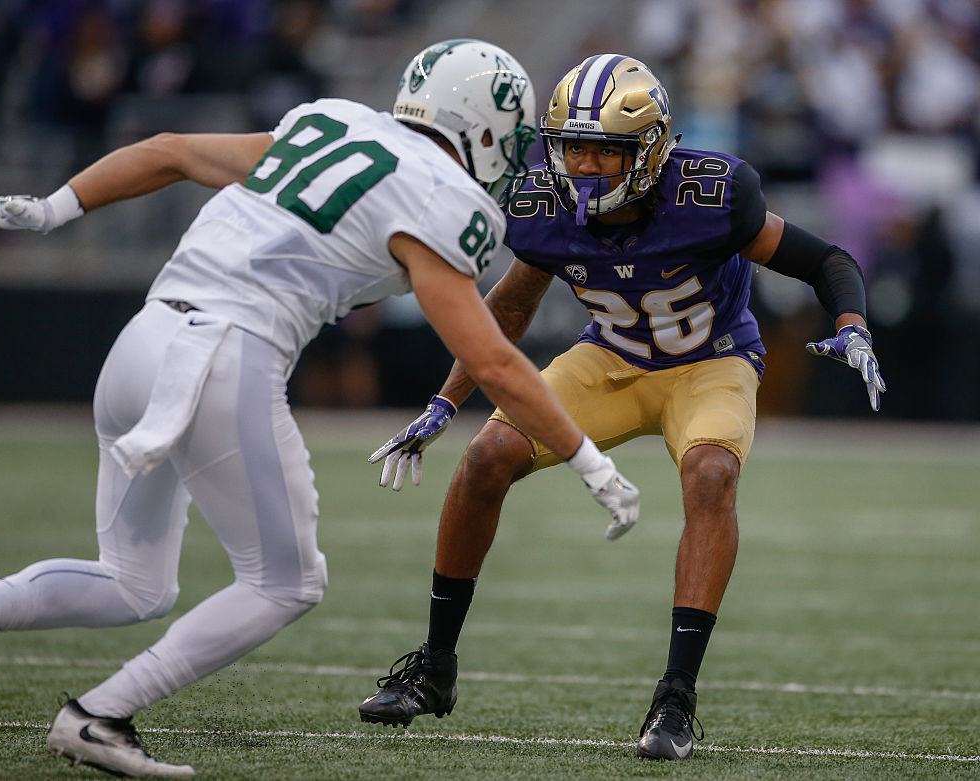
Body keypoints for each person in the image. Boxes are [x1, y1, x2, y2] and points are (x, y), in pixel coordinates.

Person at [0, 40, 640, 779]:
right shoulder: (444, 197)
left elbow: (169, 149)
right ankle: (100, 714)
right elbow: (493, 358)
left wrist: (52, 208)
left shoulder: (331, 124)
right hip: (224, 356)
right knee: (287, 582)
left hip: (140, 342)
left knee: (133, 583)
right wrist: (587, 457)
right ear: (480, 124)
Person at [358, 54, 885, 761]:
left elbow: (826, 260)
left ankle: (675, 698)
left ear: (653, 147)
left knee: (710, 474)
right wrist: (445, 400)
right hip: (610, 358)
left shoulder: (711, 194)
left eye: (606, 148)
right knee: (486, 456)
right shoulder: (544, 204)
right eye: (573, 145)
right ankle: (434, 667)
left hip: (712, 359)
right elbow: (509, 306)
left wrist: (851, 322)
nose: (585, 164)